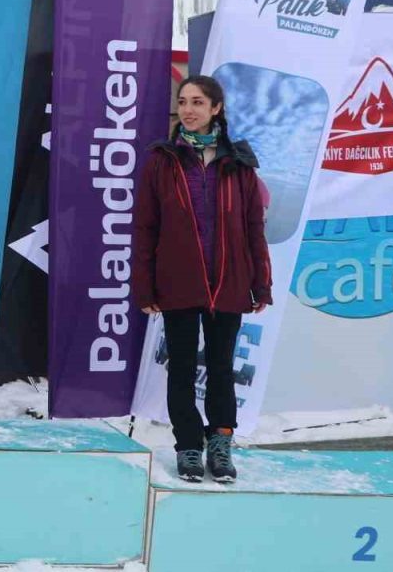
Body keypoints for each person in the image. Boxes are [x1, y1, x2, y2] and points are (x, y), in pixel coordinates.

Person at [133, 75, 273, 483]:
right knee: (180, 367)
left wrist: (261, 283)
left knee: (221, 367)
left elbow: (254, 228)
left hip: (229, 282)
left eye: (197, 102)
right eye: (183, 102)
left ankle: (221, 444)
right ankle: (189, 447)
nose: (188, 110)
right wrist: (144, 285)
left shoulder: (239, 164)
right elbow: (145, 227)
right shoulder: (163, 161)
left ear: (216, 109)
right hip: (178, 281)